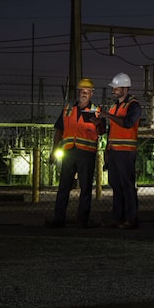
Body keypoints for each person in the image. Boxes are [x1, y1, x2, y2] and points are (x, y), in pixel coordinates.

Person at [46, 78, 105, 228]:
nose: (83, 94)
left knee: (85, 188)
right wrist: (54, 149)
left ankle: (82, 220)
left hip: (86, 154)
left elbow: (102, 131)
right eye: (81, 91)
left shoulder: (96, 111)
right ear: (78, 93)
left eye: (86, 92)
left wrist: (98, 123)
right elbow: (59, 131)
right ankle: (59, 219)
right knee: (63, 187)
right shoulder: (68, 110)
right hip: (69, 152)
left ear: (91, 94)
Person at [97, 72, 142, 229]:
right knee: (116, 185)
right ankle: (118, 218)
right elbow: (111, 131)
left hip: (126, 151)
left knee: (127, 186)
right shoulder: (114, 106)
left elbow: (128, 123)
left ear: (125, 89)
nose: (114, 90)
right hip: (115, 151)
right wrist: (107, 149)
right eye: (114, 88)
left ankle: (131, 220)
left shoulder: (133, 105)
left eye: (116, 88)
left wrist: (108, 115)